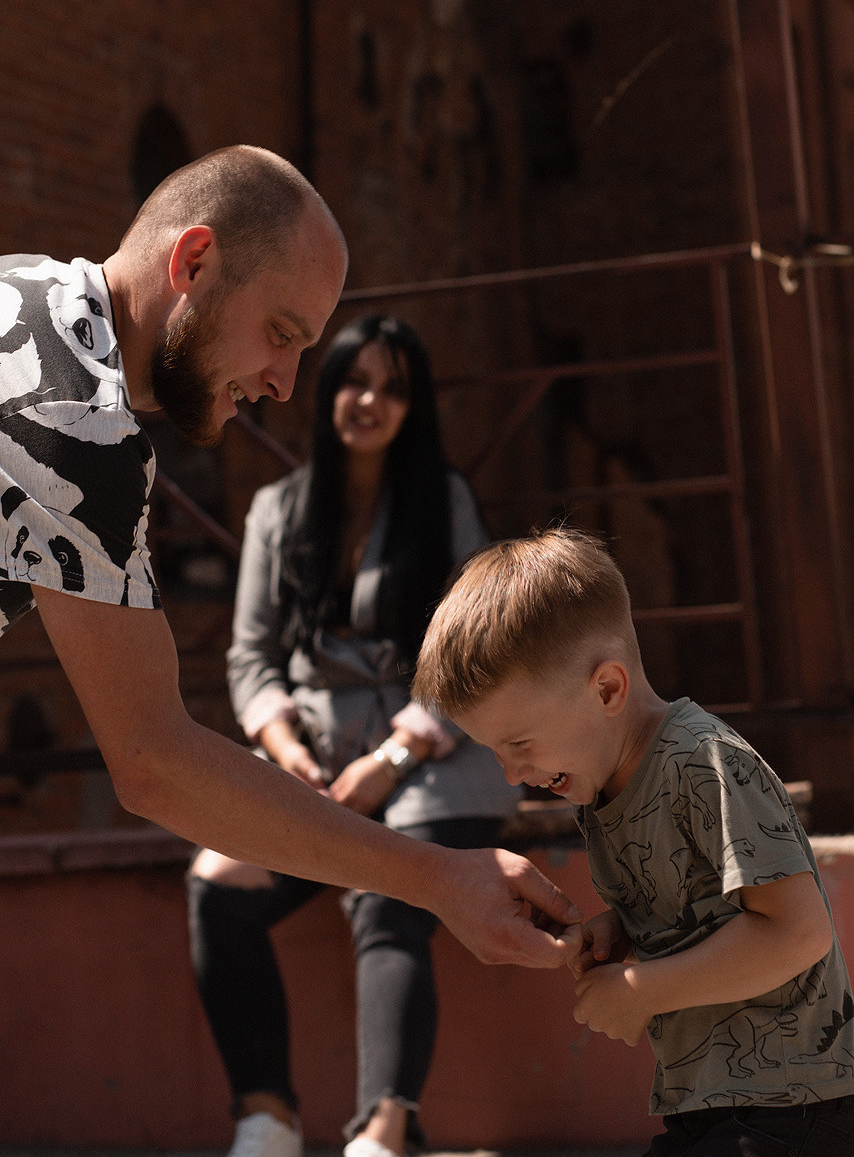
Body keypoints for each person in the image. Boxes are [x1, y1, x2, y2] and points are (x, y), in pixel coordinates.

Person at [0, 145, 581, 975]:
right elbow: (154, 762)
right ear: (194, 261)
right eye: (281, 334)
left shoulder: (20, 287)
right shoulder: (82, 427)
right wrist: (438, 877)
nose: (283, 382)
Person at [188, 313, 522, 1157]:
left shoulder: (444, 503)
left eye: (393, 387)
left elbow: (477, 651)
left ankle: (386, 1128)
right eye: (353, 380)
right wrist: (284, 751)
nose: (369, 400)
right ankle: (266, 1118)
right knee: (218, 887)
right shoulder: (276, 510)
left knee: (392, 889)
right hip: (314, 759)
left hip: (435, 755)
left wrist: (395, 756)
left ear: (415, 407)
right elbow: (252, 659)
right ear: (326, 389)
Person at [412, 527, 854, 1156]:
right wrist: (624, 928)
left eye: (520, 745)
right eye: (494, 754)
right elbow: (707, 904)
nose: (512, 774)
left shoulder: (703, 763)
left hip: (793, 1109)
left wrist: (645, 990)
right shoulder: (604, 784)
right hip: (711, 1104)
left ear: (608, 690)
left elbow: (797, 933)